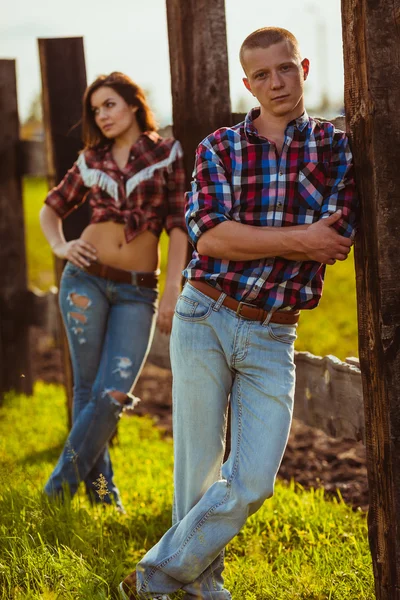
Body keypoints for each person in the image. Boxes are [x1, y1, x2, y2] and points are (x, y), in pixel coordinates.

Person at [119, 27, 357, 599]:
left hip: (274, 333)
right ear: (247, 83)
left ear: (303, 68)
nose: (276, 82)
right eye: (263, 75)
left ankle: (152, 578)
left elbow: (336, 237)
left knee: (252, 482)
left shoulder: (335, 147)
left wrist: (271, 238)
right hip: (207, 315)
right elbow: (212, 240)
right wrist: (301, 237)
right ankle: (201, 587)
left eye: (285, 69)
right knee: (197, 473)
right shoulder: (218, 147)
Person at [40, 72, 187, 513]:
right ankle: (104, 499)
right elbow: (52, 209)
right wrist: (61, 246)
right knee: (87, 392)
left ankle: (56, 490)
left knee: (113, 394)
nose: (102, 115)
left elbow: (179, 226)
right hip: (84, 281)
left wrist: (173, 288)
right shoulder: (92, 160)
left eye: (110, 104)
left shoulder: (168, 153)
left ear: (133, 105)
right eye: (96, 109)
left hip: (138, 292)